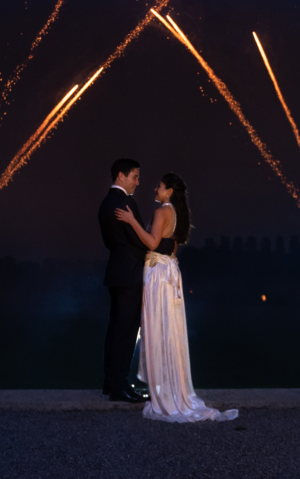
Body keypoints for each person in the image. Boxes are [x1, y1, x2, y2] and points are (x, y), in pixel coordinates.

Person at [115, 172, 238, 422]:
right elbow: (170, 246)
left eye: (159, 187)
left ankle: (164, 393)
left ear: (169, 191)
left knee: (158, 328)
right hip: (170, 272)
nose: (154, 190)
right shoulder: (179, 213)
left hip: (159, 275)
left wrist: (131, 220)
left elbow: (152, 242)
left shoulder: (162, 212)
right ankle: (170, 388)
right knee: (168, 329)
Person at [98, 158, 150, 403]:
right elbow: (139, 240)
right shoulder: (126, 203)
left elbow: (110, 243)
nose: (138, 182)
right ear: (121, 176)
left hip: (116, 273)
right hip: (130, 275)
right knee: (127, 331)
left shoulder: (105, 204)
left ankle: (110, 383)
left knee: (114, 329)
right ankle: (120, 386)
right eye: (135, 177)